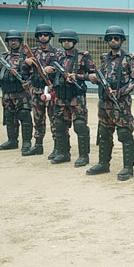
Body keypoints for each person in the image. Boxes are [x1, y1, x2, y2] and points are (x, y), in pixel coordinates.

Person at [87, 26, 134, 181]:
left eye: (116, 38)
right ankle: (103, 163)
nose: (113, 41)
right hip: (104, 103)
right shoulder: (104, 58)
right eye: (110, 38)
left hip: (120, 103)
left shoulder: (129, 59)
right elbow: (101, 76)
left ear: (121, 40)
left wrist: (121, 91)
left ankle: (128, 168)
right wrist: (95, 79)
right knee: (104, 134)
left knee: (124, 133)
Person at [49, 29, 95, 167]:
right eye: (63, 40)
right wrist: (49, 71)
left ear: (74, 42)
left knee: (80, 125)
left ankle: (83, 156)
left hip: (76, 97)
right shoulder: (58, 58)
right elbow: (55, 77)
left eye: (69, 40)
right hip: (61, 97)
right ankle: (63, 153)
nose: (66, 42)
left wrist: (78, 77)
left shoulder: (83, 57)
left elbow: (94, 76)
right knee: (59, 125)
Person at [23, 24, 62, 157]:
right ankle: (38, 145)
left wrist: (52, 69)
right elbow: (24, 71)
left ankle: (57, 147)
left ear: (50, 36)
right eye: (40, 35)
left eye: (45, 34)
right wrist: (26, 63)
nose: (43, 37)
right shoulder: (32, 52)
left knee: (54, 118)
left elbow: (62, 70)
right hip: (36, 89)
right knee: (38, 118)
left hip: (50, 90)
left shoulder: (57, 53)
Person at [0, 30, 33, 154]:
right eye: (11, 40)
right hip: (7, 93)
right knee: (9, 116)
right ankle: (12, 140)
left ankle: (27, 142)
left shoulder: (26, 57)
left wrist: (28, 82)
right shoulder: (4, 57)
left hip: (21, 93)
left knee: (24, 115)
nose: (13, 42)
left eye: (16, 40)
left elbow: (36, 74)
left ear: (20, 42)